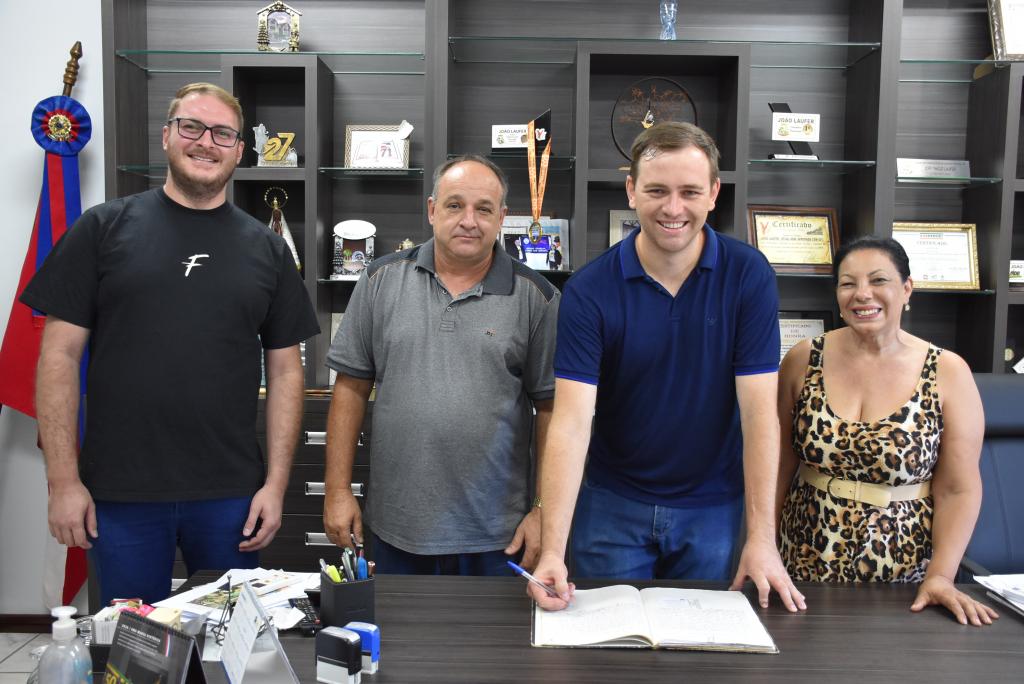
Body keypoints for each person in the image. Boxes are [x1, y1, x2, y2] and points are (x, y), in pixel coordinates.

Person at [22, 83, 319, 604]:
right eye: (191, 127)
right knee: (128, 644)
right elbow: (59, 357)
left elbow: (286, 372)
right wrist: (64, 482)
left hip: (231, 495)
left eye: (222, 133)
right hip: (121, 493)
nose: (206, 142)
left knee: (229, 641)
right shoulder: (102, 229)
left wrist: (275, 486)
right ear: (166, 136)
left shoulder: (268, 250)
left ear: (239, 151)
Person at [530, 121, 805, 612]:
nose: (673, 208)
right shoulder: (589, 290)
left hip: (713, 509)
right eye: (657, 190)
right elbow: (570, 423)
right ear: (631, 190)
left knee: (700, 647)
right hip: (611, 506)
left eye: (690, 192)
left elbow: (760, 414)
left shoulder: (748, 276)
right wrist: (553, 549)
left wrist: (762, 537)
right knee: (608, 644)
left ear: (714, 193)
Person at [322, 154, 559, 575]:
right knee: (396, 621)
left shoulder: (536, 298)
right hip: (397, 527)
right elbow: (350, 389)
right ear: (432, 210)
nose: (469, 220)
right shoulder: (379, 281)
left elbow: (551, 411)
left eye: (484, 209)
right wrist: (337, 491)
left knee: (491, 623)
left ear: (502, 218)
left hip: (497, 534)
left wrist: (543, 510)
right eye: (454, 205)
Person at [776, 236, 998, 627]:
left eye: (878, 280)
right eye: (848, 283)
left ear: (907, 289)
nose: (862, 294)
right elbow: (776, 465)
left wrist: (941, 576)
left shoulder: (947, 371)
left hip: (904, 572)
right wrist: (762, 544)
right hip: (802, 557)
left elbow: (958, 488)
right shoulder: (802, 359)